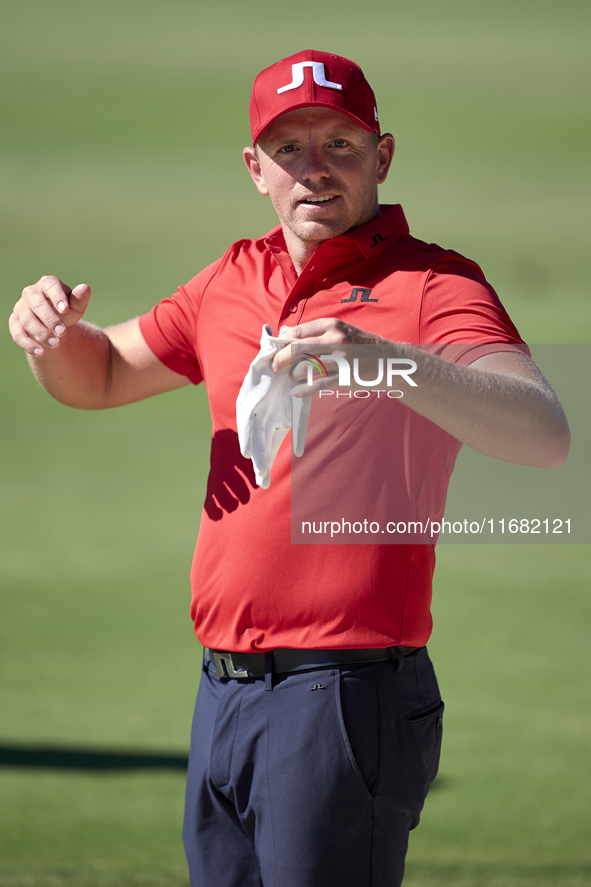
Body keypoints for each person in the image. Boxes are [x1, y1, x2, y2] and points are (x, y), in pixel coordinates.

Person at [9, 49, 569, 887]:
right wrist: (48, 338)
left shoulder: (432, 284)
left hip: (342, 695)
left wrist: (384, 359)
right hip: (223, 690)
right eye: (289, 149)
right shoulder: (232, 278)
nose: (315, 170)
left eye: (340, 143)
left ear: (381, 155)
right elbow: (102, 374)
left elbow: (545, 432)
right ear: (255, 169)